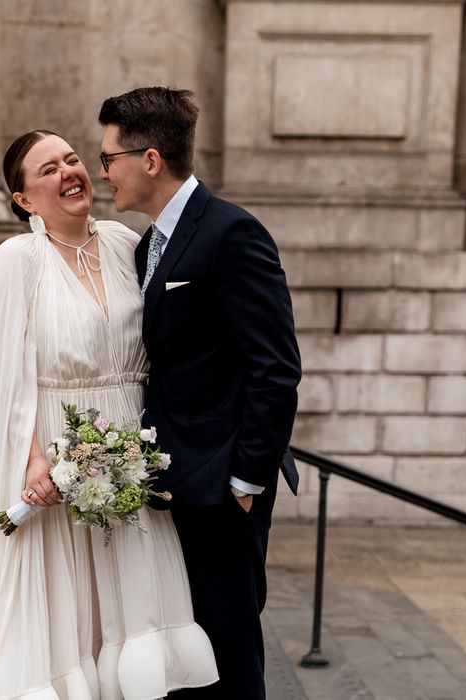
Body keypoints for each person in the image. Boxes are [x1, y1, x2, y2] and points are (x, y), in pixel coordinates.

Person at [0, 130, 218, 700]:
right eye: (47, 170)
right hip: (56, 455)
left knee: (129, 605)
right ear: (25, 200)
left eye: (72, 159)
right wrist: (32, 460)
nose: (69, 172)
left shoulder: (125, 242)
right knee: (63, 608)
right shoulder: (17, 261)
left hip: (129, 452)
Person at [98, 88, 302, 699]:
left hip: (222, 487)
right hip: (173, 479)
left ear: (150, 159)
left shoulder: (232, 232)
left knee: (230, 649)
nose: (102, 170)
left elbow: (277, 368)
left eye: (109, 157)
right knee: (191, 654)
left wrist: (245, 482)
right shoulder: (145, 247)